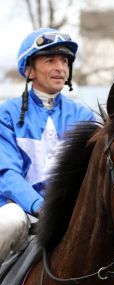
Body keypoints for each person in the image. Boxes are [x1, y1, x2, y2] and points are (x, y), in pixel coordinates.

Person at [0, 28, 97, 264]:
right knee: (9, 221)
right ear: (29, 69)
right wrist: (40, 206)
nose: (60, 67)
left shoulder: (83, 115)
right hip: (22, 211)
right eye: (50, 60)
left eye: (64, 61)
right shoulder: (7, 114)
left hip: (72, 212)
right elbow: (6, 173)